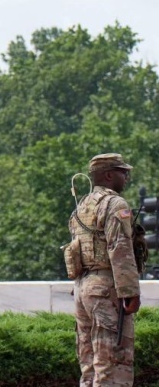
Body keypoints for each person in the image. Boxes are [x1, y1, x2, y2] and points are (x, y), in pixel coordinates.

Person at [69, 153, 141, 386]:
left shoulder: (83, 205)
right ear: (109, 175)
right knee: (112, 361)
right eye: (123, 172)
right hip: (105, 288)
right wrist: (130, 291)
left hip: (83, 288)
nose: (127, 177)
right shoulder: (115, 204)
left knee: (89, 363)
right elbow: (119, 249)